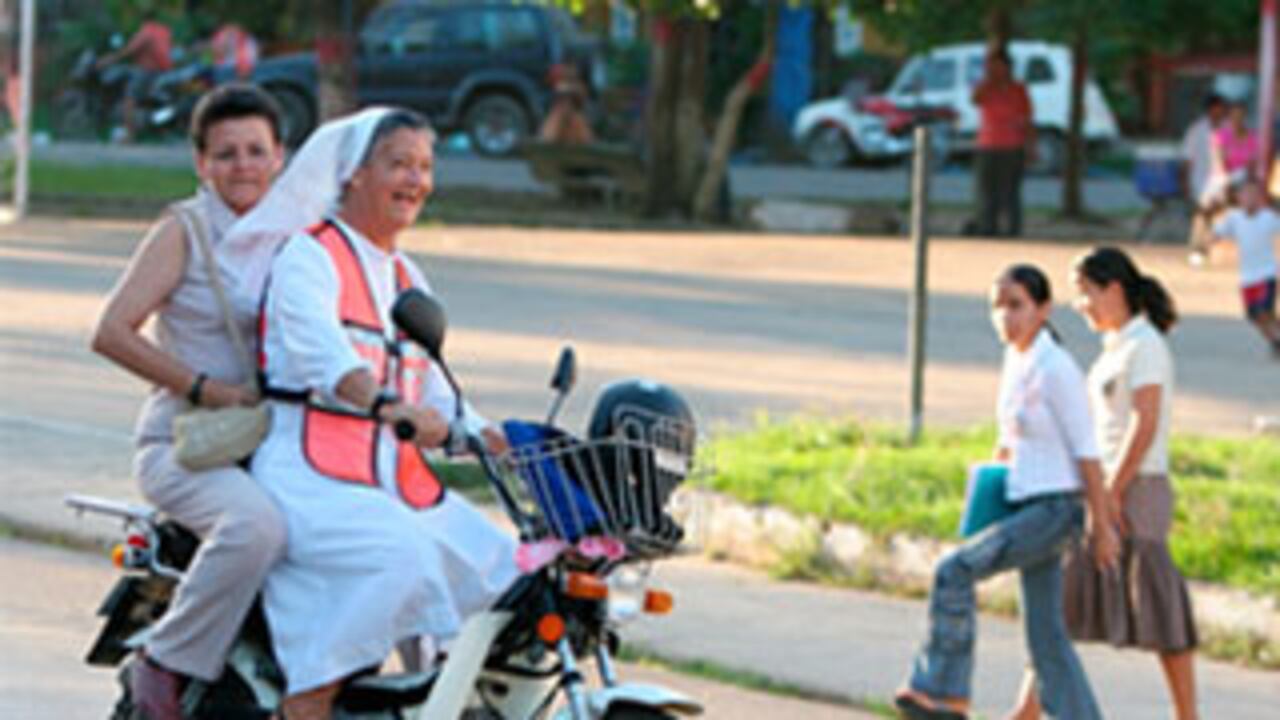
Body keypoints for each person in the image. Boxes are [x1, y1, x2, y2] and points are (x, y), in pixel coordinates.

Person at [222, 106, 517, 719]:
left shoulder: (408, 274)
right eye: (399, 164)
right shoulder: (309, 256)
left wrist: (489, 433)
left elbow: (433, 386)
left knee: (506, 574)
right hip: (310, 475)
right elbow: (322, 357)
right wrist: (385, 405)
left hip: (392, 483)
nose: (416, 180)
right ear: (354, 173)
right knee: (401, 557)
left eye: (426, 167)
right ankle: (309, 699)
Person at [89, 84, 286, 720]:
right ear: (201, 162)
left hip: (278, 443)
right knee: (255, 528)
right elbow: (111, 332)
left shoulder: (295, 233)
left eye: (257, 150)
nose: (243, 166)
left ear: (280, 156)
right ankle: (164, 663)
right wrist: (202, 387)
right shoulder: (185, 229)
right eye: (226, 154)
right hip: (188, 444)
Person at [893, 265, 1117, 720]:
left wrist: (1103, 524)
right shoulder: (1018, 360)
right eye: (997, 306)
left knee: (954, 571)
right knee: (1046, 636)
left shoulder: (1056, 367)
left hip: (1055, 509)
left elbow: (1087, 451)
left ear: (1043, 309)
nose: (1005, 317)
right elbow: (1012, 437)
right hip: (1023, 500)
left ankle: (944, 690)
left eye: (1016, 305)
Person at [1007, 247, 1198, 720]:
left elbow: (1144, 423)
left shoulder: (1144, 346)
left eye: (1085, 293)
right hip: (1103, 491)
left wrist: (1111, 492)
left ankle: (1188, 715)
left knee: (1156, 605)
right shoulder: (1115, 350)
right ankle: (1025, 713)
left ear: (1113, 290)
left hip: (1136, 490)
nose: (1081, 305)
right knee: (1063, 604)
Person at [1210, 175, 1280, 356]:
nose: (1249, 198)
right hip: (1247, 277)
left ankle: (1276, 340)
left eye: (1254, 194)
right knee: (1254, 316)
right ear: (1239, 197)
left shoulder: (1269, 217)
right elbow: (1217, 233)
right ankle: (1274, 339)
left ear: (1260, 198)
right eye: (1246, 194)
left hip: (1267, 273)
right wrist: (1211, 239)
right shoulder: (1234, 218)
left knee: (1265, 311)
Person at [968, 47, 1035, 238]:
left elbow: (1027, 119)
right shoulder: (985, 87)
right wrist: (989, 81)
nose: (995, 70)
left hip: (1012, 145)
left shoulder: (1018, 89)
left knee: (1010, 191)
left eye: (999, 66)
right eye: (991, 66)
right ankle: (987, 227)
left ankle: (1012, 229)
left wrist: (1030, 146)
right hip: (987, 144)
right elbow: (975, 99)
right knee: (987, 190)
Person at [95, 11, 174, 142]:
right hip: (162, 71)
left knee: (129, 100)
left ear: (143, 20)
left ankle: (129, 135)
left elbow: (128, 50)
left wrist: (107, 60)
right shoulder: (162, 31)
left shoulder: (146, 32)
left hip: (146, 71)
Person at [1181, 94, 1228, 258]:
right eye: (1217, 108)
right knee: (1201, 214)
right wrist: (1185, 182)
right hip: (1200, 179)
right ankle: (1197, 248)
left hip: (1222, 179)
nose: (1219, 112)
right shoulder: (1196, 130)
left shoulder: (1228, 128)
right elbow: (1187, 159)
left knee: (1217, 214)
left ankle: (1209, 247)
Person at [1211, 100, 1261, 186]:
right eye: (1234, 115)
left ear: (1245, 116)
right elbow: (1219, 164)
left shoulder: (1254, 137)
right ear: (1229, 117)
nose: (1237, 119)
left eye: (1240, 115)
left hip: (1247, 182)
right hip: (1225, 182)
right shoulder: (1220, 136)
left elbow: (1254, 164)